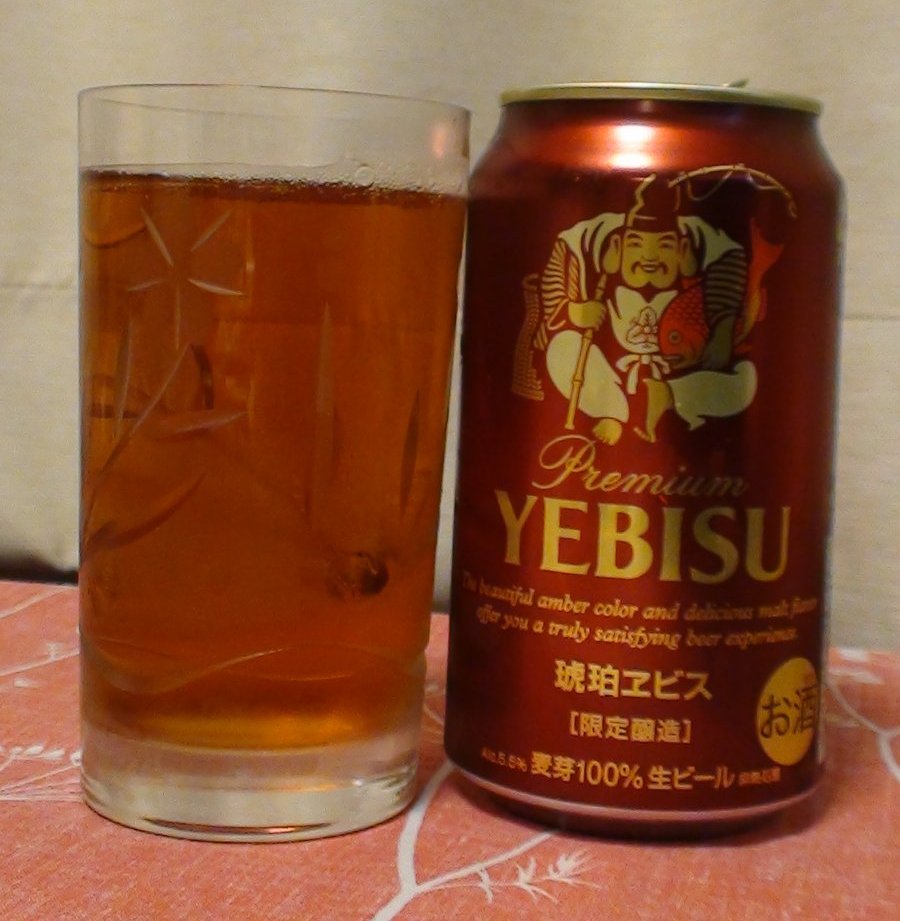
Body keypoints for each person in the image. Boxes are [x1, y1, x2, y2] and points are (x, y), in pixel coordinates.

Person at [533, 174, 753, 444]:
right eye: (636, 245)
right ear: (617, 247)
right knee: (562, 347)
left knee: (746, 378)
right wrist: (572, 311)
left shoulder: (700, 240)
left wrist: (723, 328)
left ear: (683, 249)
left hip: (678, 372)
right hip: (608, 374)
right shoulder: (595, 240)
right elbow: (562, 255)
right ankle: (611, 411)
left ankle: (668, 395)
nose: (649, 257)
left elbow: (731, 256)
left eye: (664, 246)